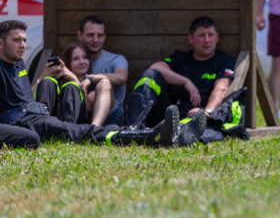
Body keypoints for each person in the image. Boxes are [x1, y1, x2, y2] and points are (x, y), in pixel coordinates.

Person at [0, 19, 187, 147]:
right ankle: (147, 137)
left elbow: (24, 97)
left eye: (24, 40)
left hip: (34, 117)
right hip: (20, 122)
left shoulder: (18, 62)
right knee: (67, 128)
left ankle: (158, 133)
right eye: (16, 41)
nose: (23, 45)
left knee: (75, 128)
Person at [126, 16, 246, 145]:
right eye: (201, 35)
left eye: (210, 35)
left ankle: (173, 134)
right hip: (169, 113)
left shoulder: (224, 61)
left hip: (197, 116)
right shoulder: (180, 58)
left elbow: (221, 89)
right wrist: (185, 82)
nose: (207, 40)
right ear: (191, 38)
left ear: (217, 37)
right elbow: (155, 68)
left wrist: (206, 112)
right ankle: (133, 129)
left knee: (192, 127)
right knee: (150, 76)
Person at [31, 42, 116, 126]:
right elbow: (27, 99)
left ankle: (68, 129)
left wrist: (74, 79)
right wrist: (42, 77)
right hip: (51, 123)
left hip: (78, 124)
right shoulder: (56, 83)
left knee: (71, 87)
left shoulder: (92, 84)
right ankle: (41, 124)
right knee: (48, 81)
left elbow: (89, 107)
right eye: (76, 59)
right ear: (67, 62)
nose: (82, 62)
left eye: (85, 57)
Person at [76, 15, 128, 126]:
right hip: (82, 114)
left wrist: (91, 78)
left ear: (104, 36)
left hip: (111, 118)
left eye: (99, 35)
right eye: (90, 35)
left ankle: (94, 128)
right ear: (80, 35)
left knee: (104, 82)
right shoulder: (74, 60)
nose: (95, 40)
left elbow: (122, 77)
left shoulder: (116, 59)